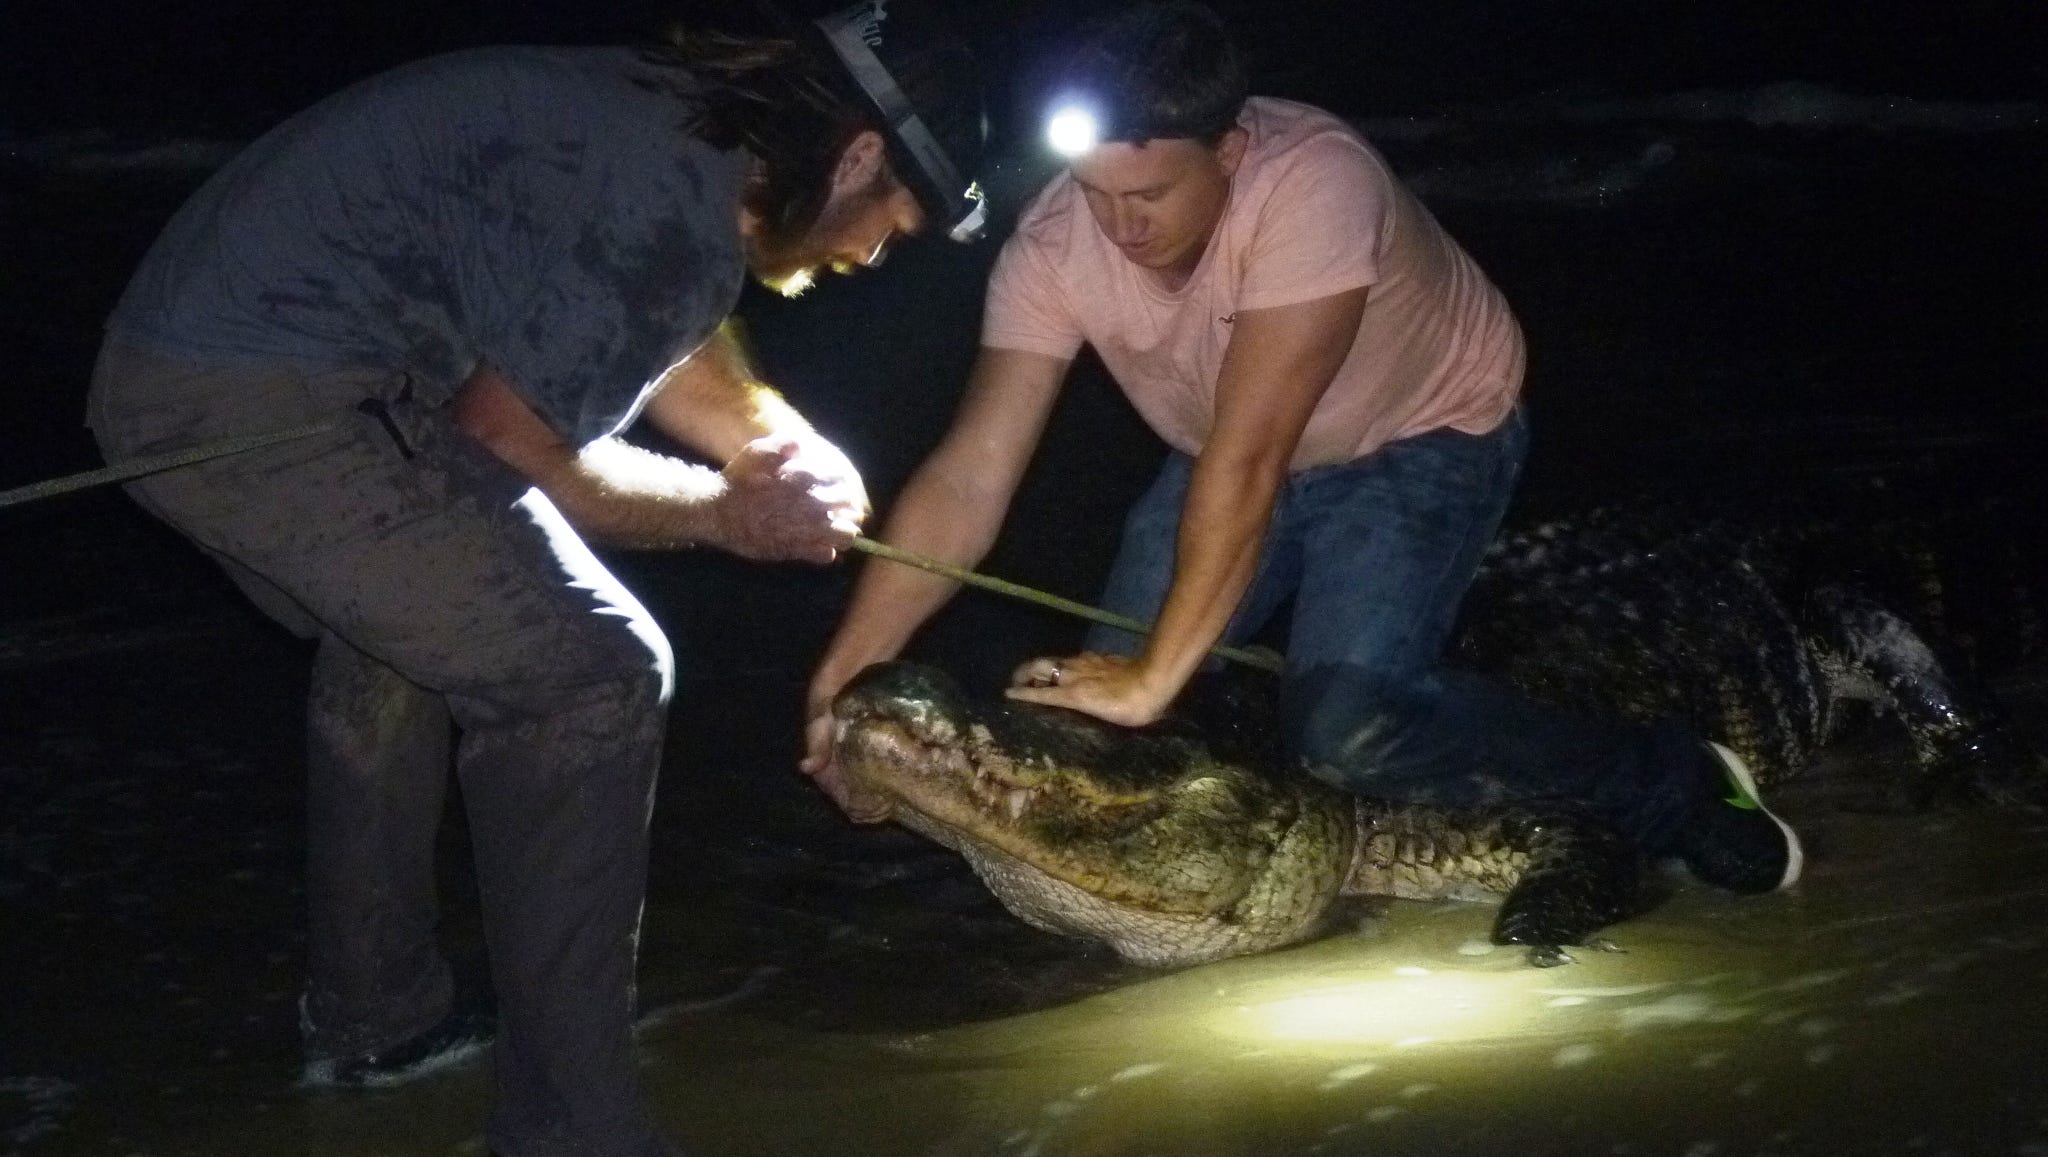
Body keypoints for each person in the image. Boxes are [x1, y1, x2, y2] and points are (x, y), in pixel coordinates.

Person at [85, 3, 984, 1154]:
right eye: (889, 227)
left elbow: (649, 313)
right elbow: (512, 442)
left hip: (207, 364)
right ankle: (572, 1130)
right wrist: (728, 513)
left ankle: (376, 1015)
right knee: (594, 673)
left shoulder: (682, 135)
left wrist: (770, 441)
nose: (867, 257)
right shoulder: (672, 202)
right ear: (857, 156)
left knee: (423, 618)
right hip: (253, 406)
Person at [801, 0, 1802, 898]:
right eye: (1097, 190)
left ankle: (1668, 780)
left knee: (1349, 725)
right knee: (1090, 722)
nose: (1119, 224)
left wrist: (1154, 677)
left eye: (1148, 193)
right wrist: (844, 678)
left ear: (1229, 151)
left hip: (1421, 431)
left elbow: (1251, 459)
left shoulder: (1315, 184)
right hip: (1225, 445)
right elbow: (969, 474)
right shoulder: (1057, 242)